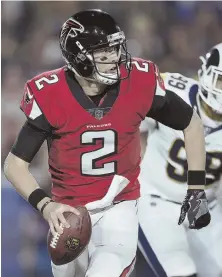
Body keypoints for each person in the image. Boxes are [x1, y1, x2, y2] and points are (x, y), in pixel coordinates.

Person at [4, 9, 210, 277]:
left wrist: (196, 189)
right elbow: (14, 164)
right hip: (68, 214)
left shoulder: (137, 81)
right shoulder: (50, 94)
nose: (114, 59)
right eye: (103, 53)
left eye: (115, 49)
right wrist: (46, 205)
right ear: (79, 57)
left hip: (119, 208)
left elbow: (191, 123)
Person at [139, 43, 222, 277]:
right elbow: (130, 121)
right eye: (221, 81)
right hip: (156, 201)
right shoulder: (173, 90)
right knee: (180, 271)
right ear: (206, 72)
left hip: (207, 207)